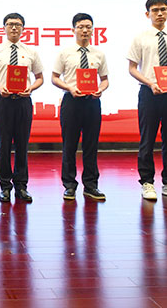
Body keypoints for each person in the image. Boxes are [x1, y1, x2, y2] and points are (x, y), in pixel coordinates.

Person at [127, 0, 167, 200]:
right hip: (149, 92)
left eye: (163, 9)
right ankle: (147, 182)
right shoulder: (140, 38)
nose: (160, 13)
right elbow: (132, 68)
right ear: (148, 14)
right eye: (155, 10)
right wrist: (150, 83)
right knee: (147, 138)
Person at [0, 13, 43, 203]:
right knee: (4, 145)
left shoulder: (31, 52)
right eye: (10, 24)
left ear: (23, 28)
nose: (14, 28)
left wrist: (31, 88)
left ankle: (21, 186)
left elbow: (40, 77)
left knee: (22, 145)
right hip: (3, 102)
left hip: (23, 102)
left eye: (17, 24)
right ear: (4, 28)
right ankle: (5, 186)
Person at [52, 13, 109, 201]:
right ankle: (69, 185)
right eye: (80, 27)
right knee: (69, 145)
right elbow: (54, 78)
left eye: (88, 27)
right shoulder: (65, 53)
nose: (85, 30)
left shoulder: (99, 54)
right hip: (71, 101)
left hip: (92, 102)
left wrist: (100, 89)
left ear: (93, 30)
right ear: (73, 30)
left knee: (91, 145)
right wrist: (69, 87)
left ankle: (91, 185)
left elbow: (105, 79)